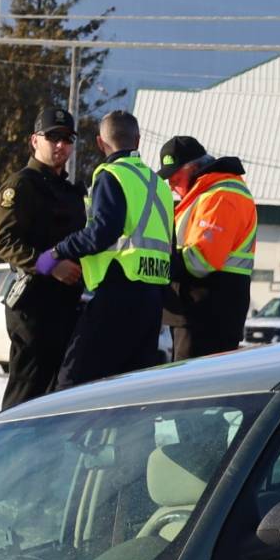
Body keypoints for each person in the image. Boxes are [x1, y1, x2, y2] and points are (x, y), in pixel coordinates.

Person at [42, 110, 173, 389]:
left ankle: (68, 434)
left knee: (72, 381)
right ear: (138, 141)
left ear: (101, 143)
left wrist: (57, 252)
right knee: (132, 388)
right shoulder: (158, 184)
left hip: (118, 291)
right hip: (153, 298)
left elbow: (103, 232)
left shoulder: (111, 175)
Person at [0, 104, 86, 409]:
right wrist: (51, 266)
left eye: (67, 139)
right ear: (35, 141)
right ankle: (7, 456)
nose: (60, 145)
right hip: (33, 305)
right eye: (53, 137)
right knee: (26, 395)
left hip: (66, 306)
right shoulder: (21, 186)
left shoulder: (71, 192)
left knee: (56, 398)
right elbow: (4, 241)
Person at [154, 135, 259, 360]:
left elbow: (200, 261)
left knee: (191, 389)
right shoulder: (205, 194)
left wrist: (157, 263)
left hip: (207, 314)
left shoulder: (221, 196)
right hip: (200, 313)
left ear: (193, 168)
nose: (171, 184)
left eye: (175, 176)